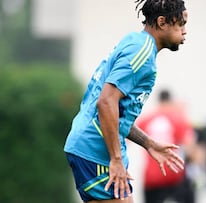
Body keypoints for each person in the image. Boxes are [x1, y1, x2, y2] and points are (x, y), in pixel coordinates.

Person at [63, 1, 188, 202]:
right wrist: (116, 159)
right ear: (163, 22)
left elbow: (116, 114)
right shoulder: (142, 53)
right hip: (96, 150)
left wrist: (148, 143)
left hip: (89, 147)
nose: (184, 31)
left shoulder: (135, 42)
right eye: (181, 23)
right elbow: (105, 103)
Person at [136, 89, 198, 203]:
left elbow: (125, 138)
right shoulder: (179, 119)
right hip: (173, 174)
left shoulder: (146, 119)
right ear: (170, 101)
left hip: (151, 177)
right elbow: (190, 148)